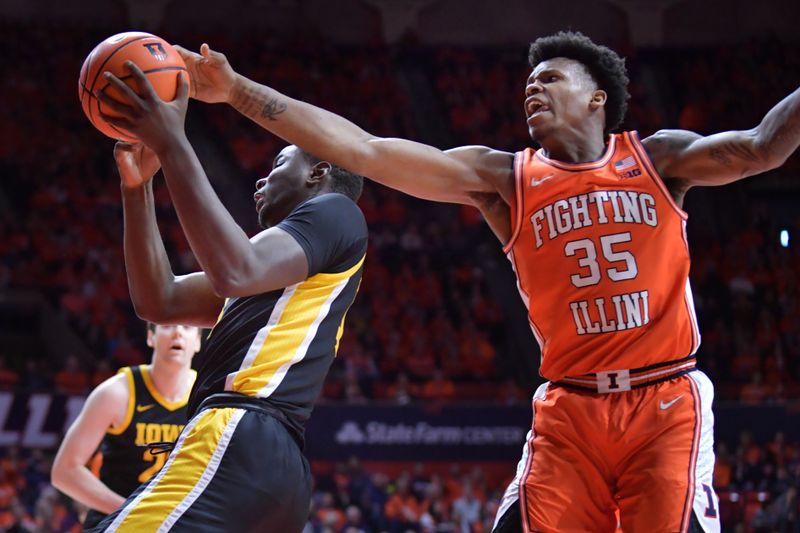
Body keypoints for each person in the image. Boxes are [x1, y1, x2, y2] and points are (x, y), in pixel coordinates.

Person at [174, 30, 800, 533]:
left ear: (597, 97)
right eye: (529, 80)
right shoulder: (505, 179)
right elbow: (365, 151)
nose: (533, 86)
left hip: (664, 398)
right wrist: (236, 92)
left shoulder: (657, 158)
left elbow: (763, 147)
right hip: (569, 408)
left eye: (551, 77)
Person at [89, 61, 366, 532]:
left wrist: (172, 140)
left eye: (279, 164)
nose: (261, 180)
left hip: (241, 431)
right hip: (266, 462)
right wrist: (138, 189)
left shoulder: (336, 211)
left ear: (319, 172)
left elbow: (236, 269)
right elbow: (160, 301)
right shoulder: (277, 267)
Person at [51, 323, 200, 529]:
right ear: (150, 337)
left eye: (187, 327)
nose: (178, 333)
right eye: (167, 326)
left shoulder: (207, 396)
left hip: (175, 522)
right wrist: (131, 511)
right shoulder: (117, 392)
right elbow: (64, 472)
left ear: (199, 341)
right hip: (116, 519)